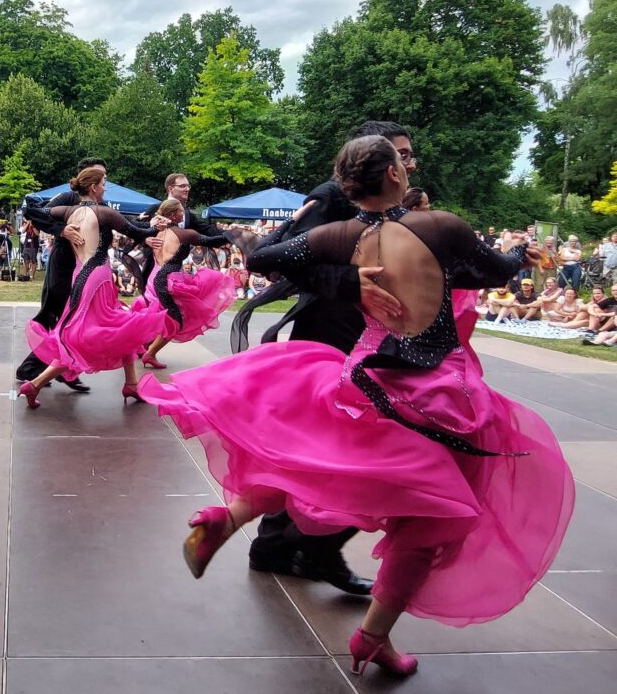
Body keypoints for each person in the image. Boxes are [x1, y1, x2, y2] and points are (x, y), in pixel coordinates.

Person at [139, 135, 572, 677]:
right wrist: (517, 255)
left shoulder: (342, 235)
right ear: (392, 175)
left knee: (323, 460)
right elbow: (491, 273)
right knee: (428, 520)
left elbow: (264, 256)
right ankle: (372, 638)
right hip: (438, 395)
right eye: (404, 159)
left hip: (361, 383)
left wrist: (350, 280)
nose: (410, 165)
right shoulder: (440, 227)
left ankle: (226, 518)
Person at [234, 121, 415, 596]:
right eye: (401, 154)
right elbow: (275, 256)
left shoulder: (392, 206)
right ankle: (310, 548)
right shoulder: (332, 196)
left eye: (408, 156)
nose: (408, 165)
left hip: (363, 339)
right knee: (361, 448)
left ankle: (283, 546)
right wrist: (350, 283)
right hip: (329, 338)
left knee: (322, 446)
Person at [18, 167, 169, 407]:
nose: (105, 187)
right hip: (97, 278)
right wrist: (156, 225)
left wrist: (61, 229)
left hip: (80, 277)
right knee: (93, 333)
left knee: (118, 325)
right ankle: (34, 383)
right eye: (104, 183)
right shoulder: (103, 213)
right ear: (94, 188)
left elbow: (30, 208)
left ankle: (131, 384)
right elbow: (138, 232)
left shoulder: (68, 211)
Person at [14, 158, 110, 392]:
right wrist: (61, 230)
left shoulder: (102, 205)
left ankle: (59, 370)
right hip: (63, 264)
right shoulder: (67, 198)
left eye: (104, 176)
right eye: (99, 176)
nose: (104, 181)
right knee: (53, 315)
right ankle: (37, 370)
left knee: (72, 318)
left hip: (84, 271)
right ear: (85, 178)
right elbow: (32, 211)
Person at [133, 199, 236, 369]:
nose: (184, 214)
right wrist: (234, 235)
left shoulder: (157, 232)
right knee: (175, 321)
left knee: (162, 316)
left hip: (156, 277)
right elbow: (212, 241)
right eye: (181, 211)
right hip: (167, 280)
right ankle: (149, 353)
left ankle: (145, 348)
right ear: (173, 215)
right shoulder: (183, 234)